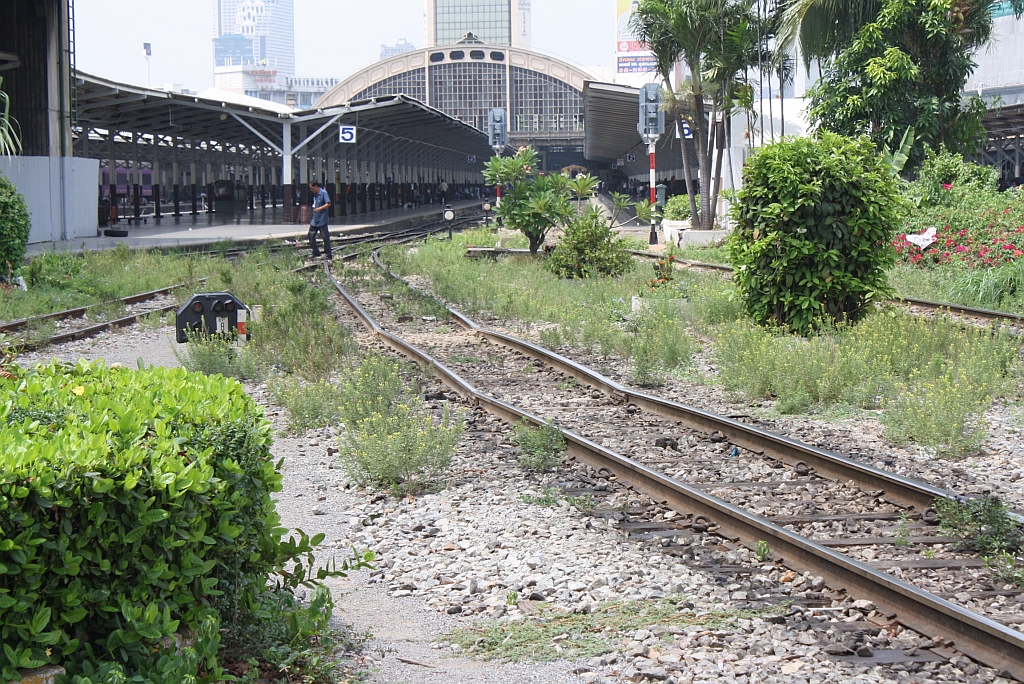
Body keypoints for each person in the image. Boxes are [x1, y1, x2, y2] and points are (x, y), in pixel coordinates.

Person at [308, 180, 333, 260]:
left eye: (312, 188)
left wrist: (320, 209)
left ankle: (328, 254)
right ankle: (316, 252)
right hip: (315, 219)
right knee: (311, 235)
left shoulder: (323, 193)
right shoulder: (315, 195)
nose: (311, 190)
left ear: (316, 186)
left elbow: (328, 203)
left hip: (322, 219)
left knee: (325, 237)